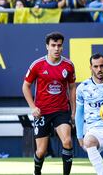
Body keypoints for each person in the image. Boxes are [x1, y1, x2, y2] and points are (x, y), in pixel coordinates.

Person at [22, 32, 76, 175]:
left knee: (67, 142)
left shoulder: (68, 65)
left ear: (62, 47)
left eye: (59, 45)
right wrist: (33, 107)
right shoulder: (37, 65)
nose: (56, 48)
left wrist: (74, 111)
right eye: (53, 45)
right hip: (42, 112)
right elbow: (25, 86)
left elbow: (72, 87)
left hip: (61, 110)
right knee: (41, 151)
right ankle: (37, 172)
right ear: (47, 46)